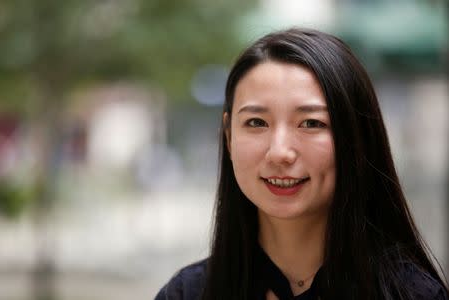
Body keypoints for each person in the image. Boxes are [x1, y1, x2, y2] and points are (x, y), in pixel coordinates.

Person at [155, 28, 449, 300]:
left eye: (311, 122)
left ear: (356, 138)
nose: (280, 152)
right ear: (229, 136)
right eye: (256, 122)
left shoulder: (412, 295)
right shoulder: (187, 294)